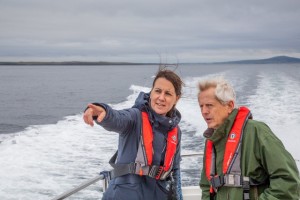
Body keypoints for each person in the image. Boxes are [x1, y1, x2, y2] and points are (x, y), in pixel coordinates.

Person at [83, 69, 184, 200]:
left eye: (168, 93)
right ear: (151, 92)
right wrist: (103, 112)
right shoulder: (134, 117)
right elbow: (117, 118)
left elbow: (175, 171)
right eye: (158, 91)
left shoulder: (176, 132)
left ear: (177, 98)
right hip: (125, 194)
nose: (161, 98)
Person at [197, 77, 300, 200]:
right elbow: (206, 185)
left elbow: (288, 181)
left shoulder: (256, 131)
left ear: (229, 106)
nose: (204, 111)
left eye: (209, 105)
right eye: (201, 106)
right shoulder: (211, 140)